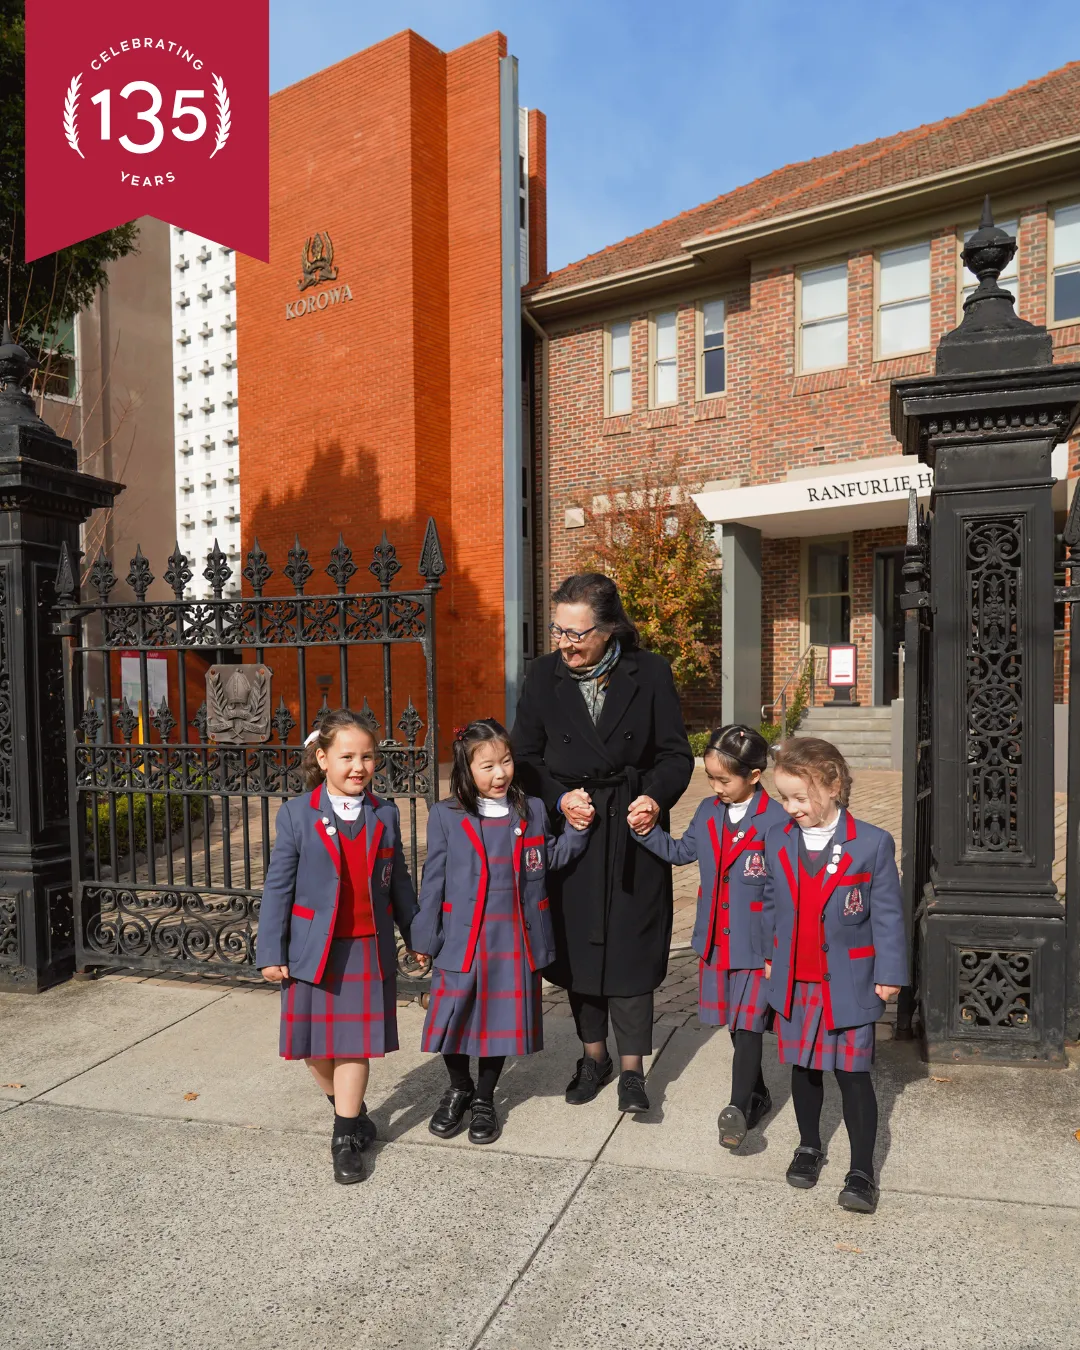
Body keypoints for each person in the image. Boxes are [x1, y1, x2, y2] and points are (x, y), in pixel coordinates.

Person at [511, 573, 693, 1114]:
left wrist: (656, 799)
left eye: (577, 633)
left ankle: (633, 1068)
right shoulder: (542, 676)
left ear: (610, 628)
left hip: (632, 830)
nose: (564, 643)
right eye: (558, 630)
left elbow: (675, 755)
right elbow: (525, 757)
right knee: (577, 948)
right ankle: (593, 1057)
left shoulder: (651, 672)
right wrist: (559, 799)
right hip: (574, 832)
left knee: (633, 950)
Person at [410, 718, 592, 1144]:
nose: (499, 773)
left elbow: (547, 859)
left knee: (497, 1024)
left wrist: (578, 832)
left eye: (506, 762)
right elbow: (432, 879)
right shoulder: (446, 815)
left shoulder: (529, 812)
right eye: (487, 766)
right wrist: (424, 937)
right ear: (466, 769)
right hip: (461, 938)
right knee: (451, 1020)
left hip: (513, 939)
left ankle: (485, 1099)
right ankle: (459, 1087)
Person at [257, 709, 418, 1185]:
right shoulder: (296, 813)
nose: (358, 767)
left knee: (353, 1046)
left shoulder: (385, 813)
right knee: (313, 1049)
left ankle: (344, 1136)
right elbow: (278, 888)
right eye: (347, 756)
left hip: (366, 947)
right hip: (312, 949)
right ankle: (350, 1109)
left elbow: (400, 882)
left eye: (367, 757)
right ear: (323, 759)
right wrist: (272, 951)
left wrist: (417, 935)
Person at [762, 736, 907, 1214]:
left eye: (800, 797)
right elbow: (768, 900)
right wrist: (768, 952)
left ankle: (861, 1170)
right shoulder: (777, 838)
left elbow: (887, 915)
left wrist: (889, 973)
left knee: (853, 1075)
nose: (791, 807)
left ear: (833, 785)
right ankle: (808, 1146)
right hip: (796, 980)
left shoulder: (871, 843)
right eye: (784, 797)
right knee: (803, 1070)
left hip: (848, 981)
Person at [632, 725, 790, 1149]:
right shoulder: (707, 810)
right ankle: (757, 1094)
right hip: (717, 942)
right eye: (711, 779)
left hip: (758, 945)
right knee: (736, 1027)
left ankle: (737, 1108)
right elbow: (683, 853)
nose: (716, 787)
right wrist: (646, 832)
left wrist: (780, 947)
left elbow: (785, 891)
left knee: (751, 1023)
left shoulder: (776, 821)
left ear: (755, 776)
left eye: (725, 780)